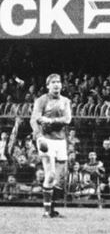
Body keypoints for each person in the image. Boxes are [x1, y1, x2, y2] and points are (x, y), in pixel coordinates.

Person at [31, 73, 72, 218]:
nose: (56, 84)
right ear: (48, 85)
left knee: (60, 178)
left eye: (58, 82)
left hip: (61, 141)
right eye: (53, 82)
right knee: (51, 174)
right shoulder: (41, 100)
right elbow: (34, 119)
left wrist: (49, 121)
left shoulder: (66, 101)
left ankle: (52, 209)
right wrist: (39, 136)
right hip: (46, 139)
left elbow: (67, 119)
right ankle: (47, 212)